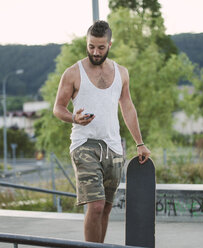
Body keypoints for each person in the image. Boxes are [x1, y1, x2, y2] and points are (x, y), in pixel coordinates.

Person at [53, 20, 151, 243]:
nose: (95, 52)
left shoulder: (122, 73)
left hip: (113, 147)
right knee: (95, 206)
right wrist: (73, 118)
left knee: (106, 208)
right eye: (91, 47)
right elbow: (58, 108)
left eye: (100, 47)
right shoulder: (72, 73)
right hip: (84, 144)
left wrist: (140, 143)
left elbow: (127, 107)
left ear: (110, 45)